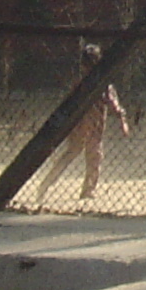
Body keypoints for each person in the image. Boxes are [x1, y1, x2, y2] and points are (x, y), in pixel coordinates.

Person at [34, 43, 130, 205]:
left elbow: (115, 106)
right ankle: (46, 185)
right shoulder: (83, 83)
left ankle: (87, 190)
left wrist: (123, 121)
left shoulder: (103, 85)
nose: (87, 68)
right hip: (80, 126)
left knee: (93, 158)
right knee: (76, 155)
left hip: (94, 127)